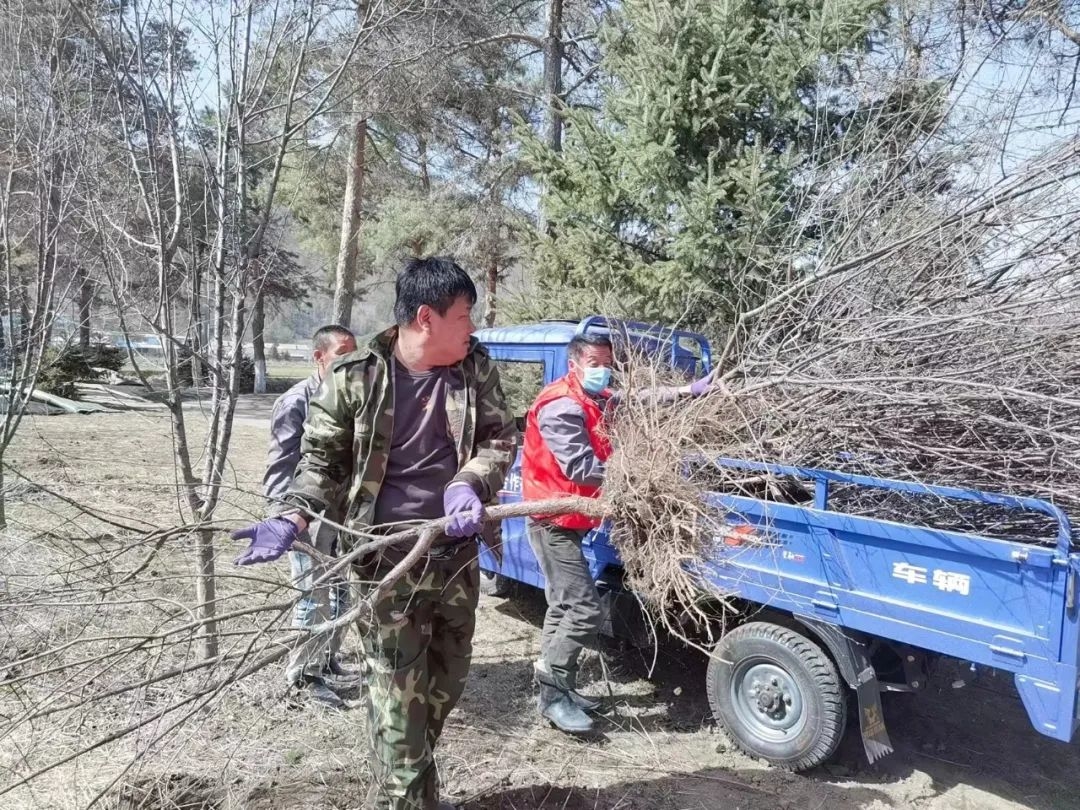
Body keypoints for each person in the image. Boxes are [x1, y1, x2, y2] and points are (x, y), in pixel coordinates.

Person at [230, 257, 517, 810]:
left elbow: (499, 440)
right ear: (426, 318)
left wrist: (469, 483)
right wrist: (293, 516)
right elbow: (321, 465)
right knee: (397, 701)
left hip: (454, 559)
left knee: (442, 689)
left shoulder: (474, 368)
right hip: (384, 564)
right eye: (465, 316)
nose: (473, 328)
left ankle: (414, 788)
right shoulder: (353, 377)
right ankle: (406, 798)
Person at [521, 332, 712, 734]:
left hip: (571, 520)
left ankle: (559, 688)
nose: (602, 369)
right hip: (551, 520)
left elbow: (634, 398)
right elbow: (579, 468)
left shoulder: (593, 396)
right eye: (594, 362)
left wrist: (687, 390)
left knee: (562, 605)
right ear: (574, 363)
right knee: (585, 610)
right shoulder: (561, 406)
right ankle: (554, 697)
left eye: (607, 361)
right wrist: (642, 478)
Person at [259, 324, 357, 708]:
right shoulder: (295, 402)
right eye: (342, 352)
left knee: (342, 593)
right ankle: (303, 678)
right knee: (312, 596)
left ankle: (328, 660)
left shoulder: (348, 398)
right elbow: (280, 467)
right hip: (302, 518)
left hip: (338, 517)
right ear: (320, 357)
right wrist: (284, 519)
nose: (351, 360)